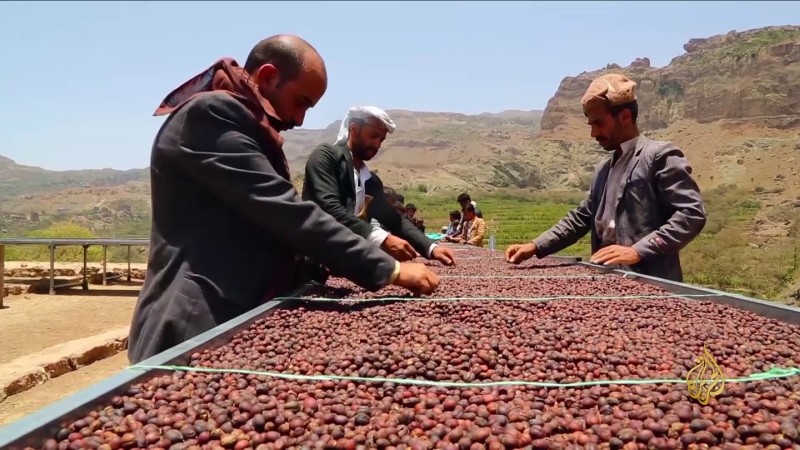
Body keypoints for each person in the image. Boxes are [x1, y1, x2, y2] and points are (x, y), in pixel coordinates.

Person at [128, 35, 439, 364]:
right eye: (301, 102)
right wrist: (389, 270)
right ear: (267, 77)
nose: (300, 119)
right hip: (196, 322)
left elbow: (261, 228)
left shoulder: (245, 125)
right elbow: (285, 211)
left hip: (240, 315)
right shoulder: (211, 116)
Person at [505, 73, 706, 282]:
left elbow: (691, 214)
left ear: (625, 117)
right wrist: (536, 246)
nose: (593, 133)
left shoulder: (658, 156)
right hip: (606, 280)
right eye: (591, 125)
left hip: (650, 283)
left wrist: (638, 250)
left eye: (599, 123)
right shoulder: (603, 170)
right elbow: (580, 218)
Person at [302, 106, 456, 266]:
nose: (377, 144)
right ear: (354, 129)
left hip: (342, 262)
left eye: (381, 140)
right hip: (309, 262)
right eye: (373, 136)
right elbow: (329, 209)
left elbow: (395, 220)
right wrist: (383, 239)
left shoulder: (371, 181)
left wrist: (430, 247)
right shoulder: (326, 157)